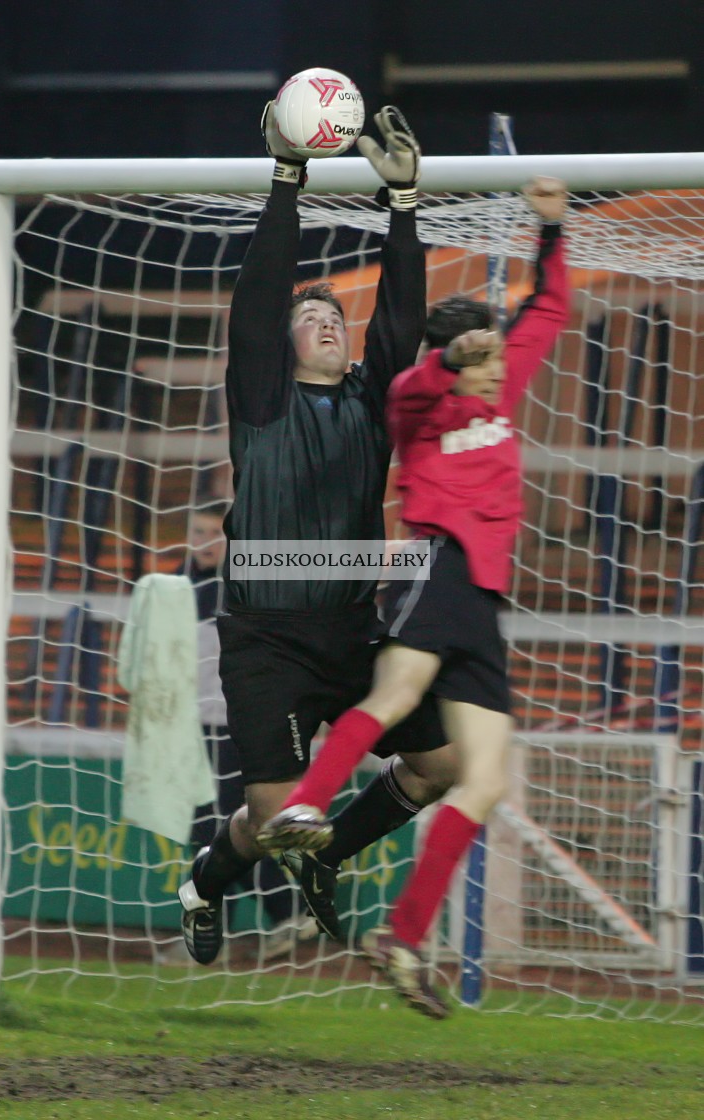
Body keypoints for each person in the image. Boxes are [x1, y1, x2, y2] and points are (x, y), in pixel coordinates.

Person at [257, 177, 571, 1017]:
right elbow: (409, 391)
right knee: (395, 695)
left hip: (482, 604)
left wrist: (551, 231)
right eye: (481, 351)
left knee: (483, 780)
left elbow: (548, 309)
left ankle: (400, 937)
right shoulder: (419, 405)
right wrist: (445, 361)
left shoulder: (501, 389)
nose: (497, 361)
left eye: (494, 350)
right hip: (432, 568)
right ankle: (303, 805)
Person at [177, 98, 457, 967]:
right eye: (311, 316)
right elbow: (258, 303)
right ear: (284, 342)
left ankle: (333, 854)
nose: (327, 319)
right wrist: (286, 181)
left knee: (439, 767)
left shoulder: (373, 407)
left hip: (351, 629)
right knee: (272, 820)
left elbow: (402, 326)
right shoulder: (261, 401)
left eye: (338, 315)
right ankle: (206, 882)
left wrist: (402, 207)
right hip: (264, 638)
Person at [173, 502, 316, 961]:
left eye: (214, 533)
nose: (205, 542)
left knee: (227, 827)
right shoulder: (179, 586)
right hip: (196, 725)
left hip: (232, 727)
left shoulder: (240, 585)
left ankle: (281, 913)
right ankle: (262, 919)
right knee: (211, 828)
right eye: (197, 531)